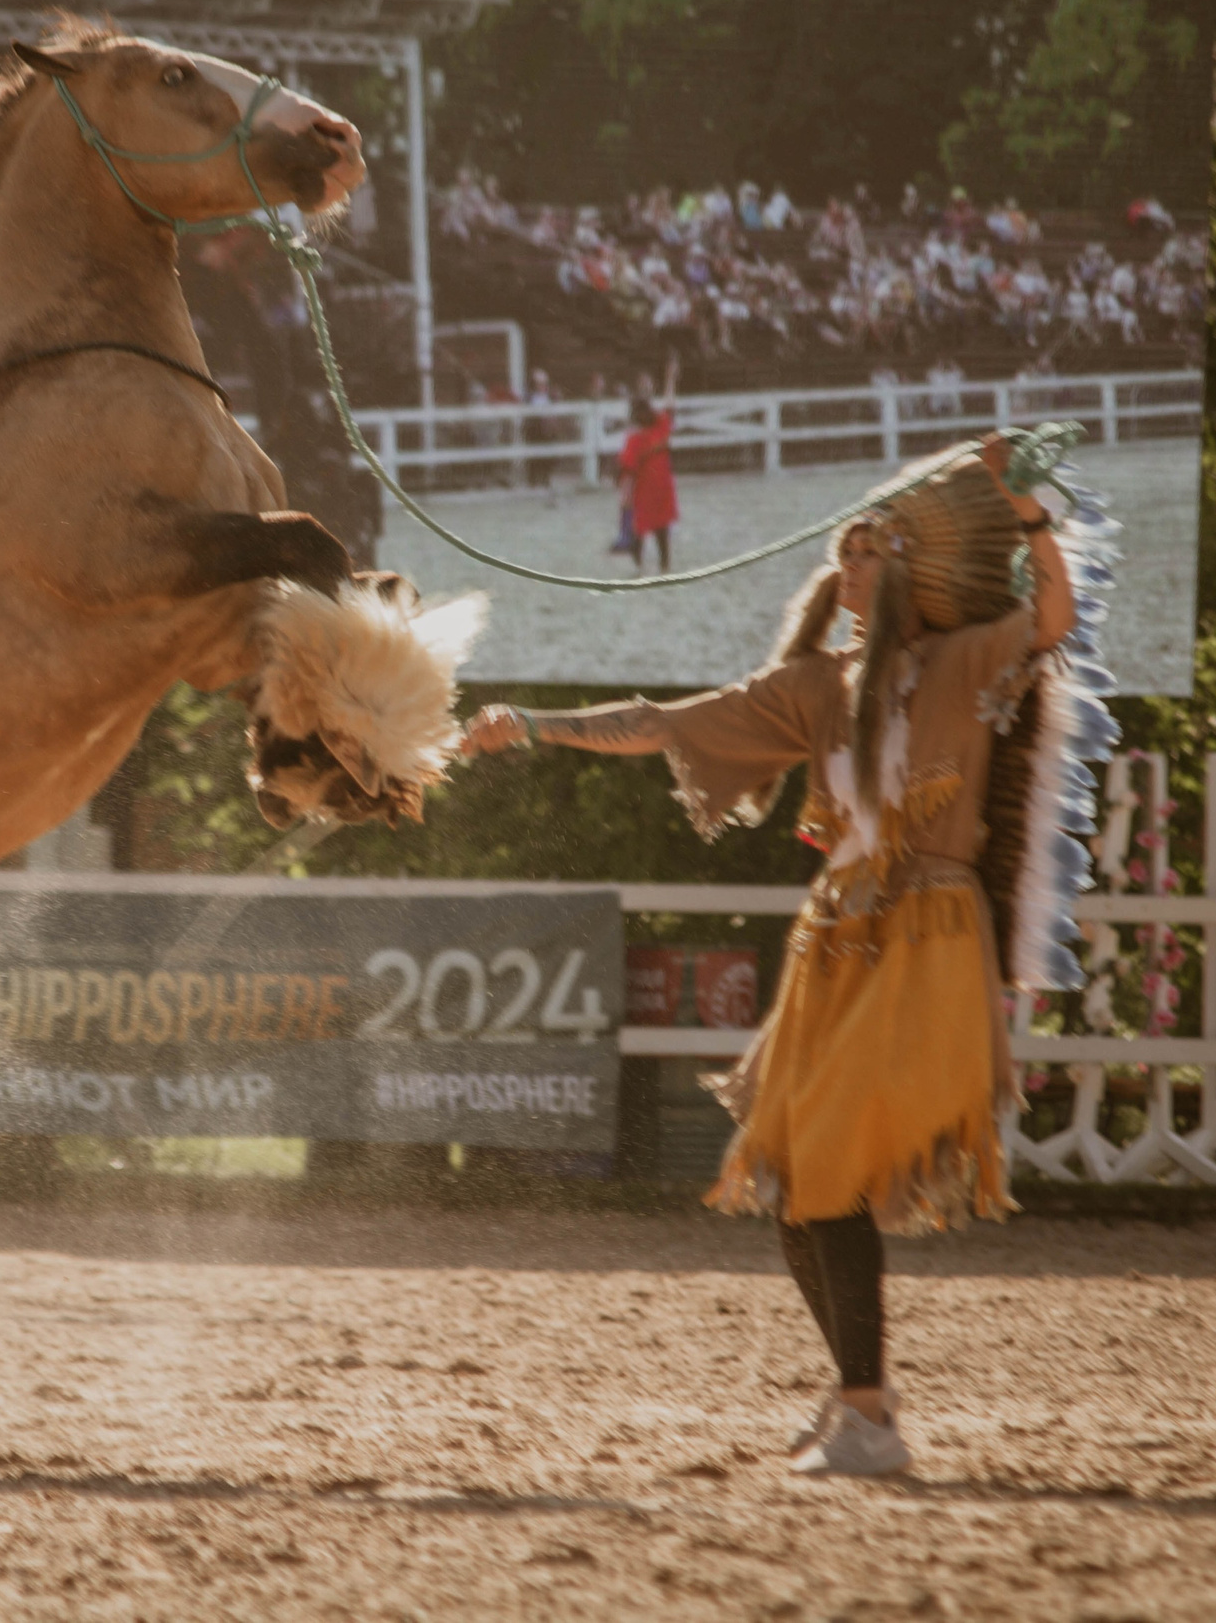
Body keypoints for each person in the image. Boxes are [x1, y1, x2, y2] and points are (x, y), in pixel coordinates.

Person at [463, 431, 1110, 1476]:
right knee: (795, 1173)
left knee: (829, 1172)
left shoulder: (964, 660)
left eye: (866, 552)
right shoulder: (816, 686)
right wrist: (533, 725)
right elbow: (663, 723)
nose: (845, 568)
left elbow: (1052, 618)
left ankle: (868, 1417)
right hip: (837, 937)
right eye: (844, 553)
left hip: (925, 937)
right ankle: (861, 1396)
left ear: (908, 569)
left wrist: (1028, 511)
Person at [610, 357, 681, 573]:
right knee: (658, 526)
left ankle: (642, 564)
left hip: (648, 489)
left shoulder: (636, 438)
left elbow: (627, 470)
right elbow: (670, 405)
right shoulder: (658, 428)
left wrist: (625, 494)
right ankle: (661, 564)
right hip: (659, 487)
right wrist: (670, 379)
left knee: (643, 527)